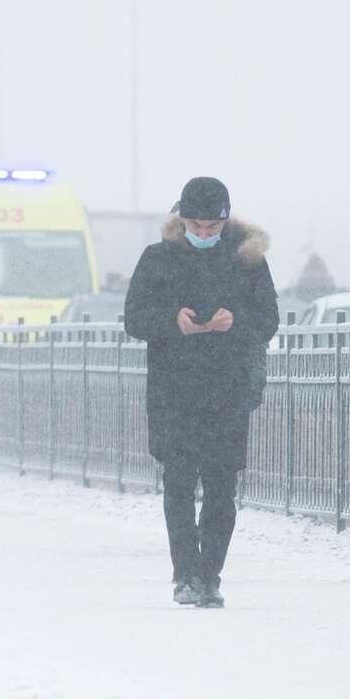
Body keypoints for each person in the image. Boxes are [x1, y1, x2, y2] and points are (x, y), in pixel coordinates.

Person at [123, 177, 279, 609]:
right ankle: (184, 574)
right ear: (181, 220)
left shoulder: (247, 262)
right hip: (174, 390)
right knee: (177, 483)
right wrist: (174, 320)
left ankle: (210, 575)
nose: (204, 234)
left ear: (226, 222)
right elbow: (134, 318)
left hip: (226, 391)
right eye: (196, 226)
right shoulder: (158, 259)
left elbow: (268, 320)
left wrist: (236, 322)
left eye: (212, 227)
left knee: (220, 486)